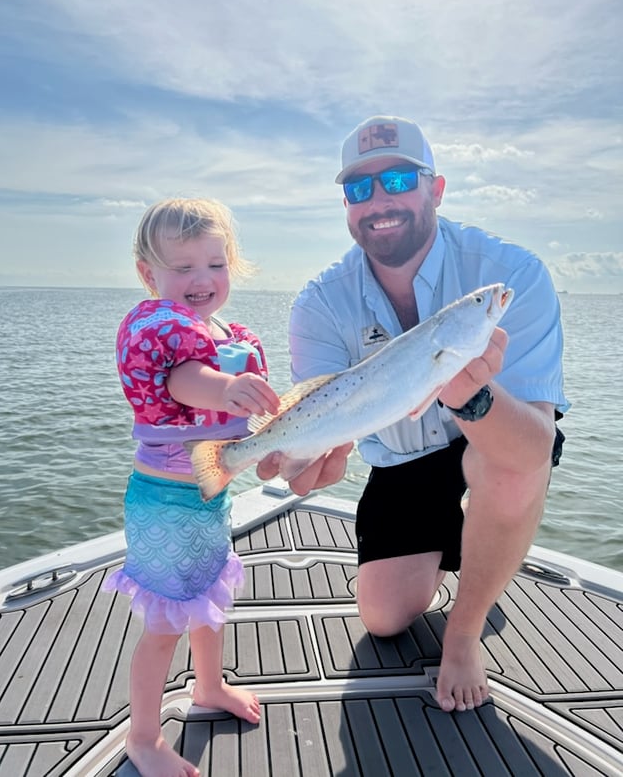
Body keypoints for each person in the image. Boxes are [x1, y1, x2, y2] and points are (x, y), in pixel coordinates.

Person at [258, 115, 568, 714]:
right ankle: (476, 542)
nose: (378, 201)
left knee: (506, 470)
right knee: (384, 617)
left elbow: (532, 449)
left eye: (399, 179)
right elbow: (316, 417)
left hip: (492, 433)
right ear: (346, 205)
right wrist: (300, 459)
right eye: (358, 189)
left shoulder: (513, 274)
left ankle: (465, 628)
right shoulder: (319, 303)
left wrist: (467, 393)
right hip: (401, 455)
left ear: (437, 188)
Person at [104, 198, 280, 777]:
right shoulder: (160, 330)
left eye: (215, 263)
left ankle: (209, 685)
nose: (202, 280)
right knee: (163, 628)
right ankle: (144, 739)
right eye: (183, 268)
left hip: (210, 499)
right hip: (165, 506)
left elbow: (230, 413)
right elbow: (185, 383)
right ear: (147, 274)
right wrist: (227, 389)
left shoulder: (223, 333)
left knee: (209, 602)